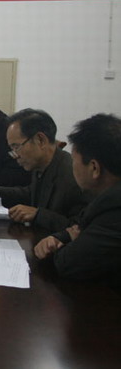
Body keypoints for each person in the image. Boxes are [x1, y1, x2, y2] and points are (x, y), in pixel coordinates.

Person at [34, 114, 121, 288]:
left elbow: (68, 264)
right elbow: (78, 225)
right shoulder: (106, 197)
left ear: (94, 168)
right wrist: (61, 237)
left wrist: (63, 245)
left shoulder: (114, 209)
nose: (71, 165)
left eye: (74, 160)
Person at [0, 109, 88, 231]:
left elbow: (81, 228)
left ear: (40, 140)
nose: (15, 155)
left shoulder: (74, 176)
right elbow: (31, 192)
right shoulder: (41, 164)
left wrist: (38, 215)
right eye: (12, 149)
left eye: (16, 147)